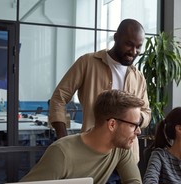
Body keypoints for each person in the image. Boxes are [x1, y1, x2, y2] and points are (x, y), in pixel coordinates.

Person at [21, 90, 145, 184]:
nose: (138, 131)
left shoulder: (120, 148)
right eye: (134, 125)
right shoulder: (62, 152)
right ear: (112, 124)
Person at [48, 18, 151, 164]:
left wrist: (135, 118)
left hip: (127, 157)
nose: (133, 51)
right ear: (116, 38)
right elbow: (58, 98)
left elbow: (146, 112)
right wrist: (63, 140)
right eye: (129, 44)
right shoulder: (87, 62)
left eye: (138, 47)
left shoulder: (138, 77)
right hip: (93, 155)